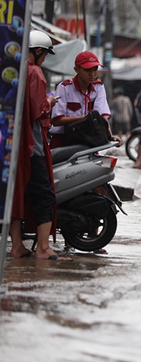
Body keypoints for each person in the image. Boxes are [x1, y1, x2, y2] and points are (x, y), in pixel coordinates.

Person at [9, 30, 69, 260]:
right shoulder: (34, 72)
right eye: (44, 54)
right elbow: (38, 110)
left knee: (17, 194)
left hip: (13, 145)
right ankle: (43, 249)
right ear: (38, 51)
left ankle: (17, 246)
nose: (44, 59)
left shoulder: (13, 71)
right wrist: (50, 102)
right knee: (44, 194)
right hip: (32, 146)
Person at [49, 51, 119, 148]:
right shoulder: (64, 87)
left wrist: (109, 135)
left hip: (90, 139)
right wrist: (86, 118)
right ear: (76, 69)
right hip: (64, 139)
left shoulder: (99, 87)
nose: (92, 74)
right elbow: (57, 121)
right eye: (87, 70)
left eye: (95, 69)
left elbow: (102, 117)